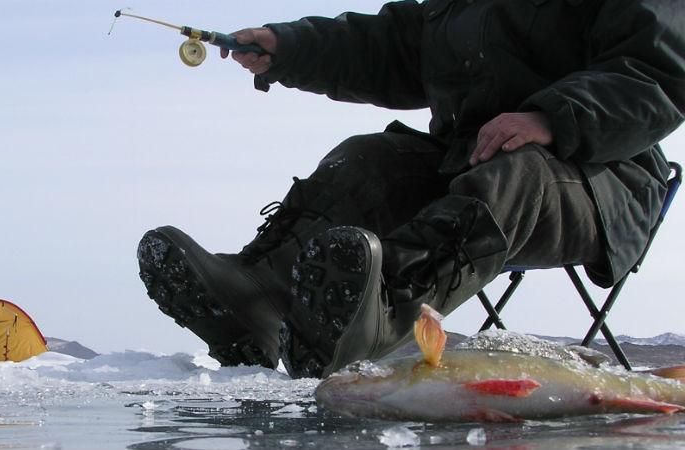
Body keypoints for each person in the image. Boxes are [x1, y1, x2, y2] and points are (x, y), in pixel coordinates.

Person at [137, 0, 685, 379]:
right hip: (467, 161)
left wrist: (551, 117)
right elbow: (391, 45)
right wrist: (291, 47)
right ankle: (255, 297)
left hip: (598, 174)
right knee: (370, 159)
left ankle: (380, 310)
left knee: (514, 172)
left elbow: (661, 69)